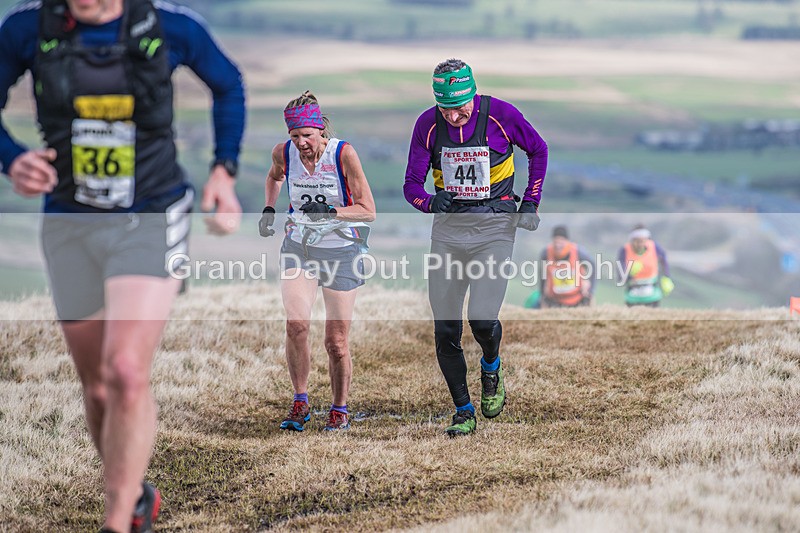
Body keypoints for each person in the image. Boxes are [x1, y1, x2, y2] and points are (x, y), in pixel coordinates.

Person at [0, 1, 245, 531]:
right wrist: (10, 156)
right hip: (69, 221)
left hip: (153, 214)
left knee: (127, 372)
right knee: (98, 387)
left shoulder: (169, 26)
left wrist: (223, 171)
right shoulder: (26, 28)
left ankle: (117, 521)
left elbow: (229, 85)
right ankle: (135, 499)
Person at [403, 58, 548, 436]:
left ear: (473, 93)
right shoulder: (427, 125)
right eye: (446, 109)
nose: (454, 117)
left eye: (461, 107)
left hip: (495, 227)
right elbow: (412, 187)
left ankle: (491, 365)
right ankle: (463, 410)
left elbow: (539, 149)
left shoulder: (500, 114)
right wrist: (431, 203)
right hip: (448, 232)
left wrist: (530, 202)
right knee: (445, 327)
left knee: (482, 320)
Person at [259, 91, 375, 432]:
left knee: (336, 342)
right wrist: (269, 209)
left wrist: (332, 212)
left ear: (320, 131)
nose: (301, 144)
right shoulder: (284, 152)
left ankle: (339, 408)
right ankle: (300, 402)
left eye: (307, 136)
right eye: (295, 137)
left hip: (342, 250)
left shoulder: (344, 154)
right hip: (300, 247)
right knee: (296, 325)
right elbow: (274, 176)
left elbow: (368, 211)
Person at [617, 225, 673, 307]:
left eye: (642, 241)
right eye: (637, 241)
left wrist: (666, 277)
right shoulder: (624, 251)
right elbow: (620, 277)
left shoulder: (655, 247)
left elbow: (663, 260)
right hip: (632, 297)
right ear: (632, 240)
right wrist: (628, 273)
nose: (640, 244)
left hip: (652, 296)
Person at [539, 225, 595, 308]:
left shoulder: (579, 252)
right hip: (555, 300)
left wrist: (590, 289)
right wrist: (543, 293)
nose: (558, 245)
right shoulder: (546, 253)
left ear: (567, 241)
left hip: (578, 299)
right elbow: (542, 275)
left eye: (561, 241)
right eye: (556, 241)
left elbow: (592, 265)